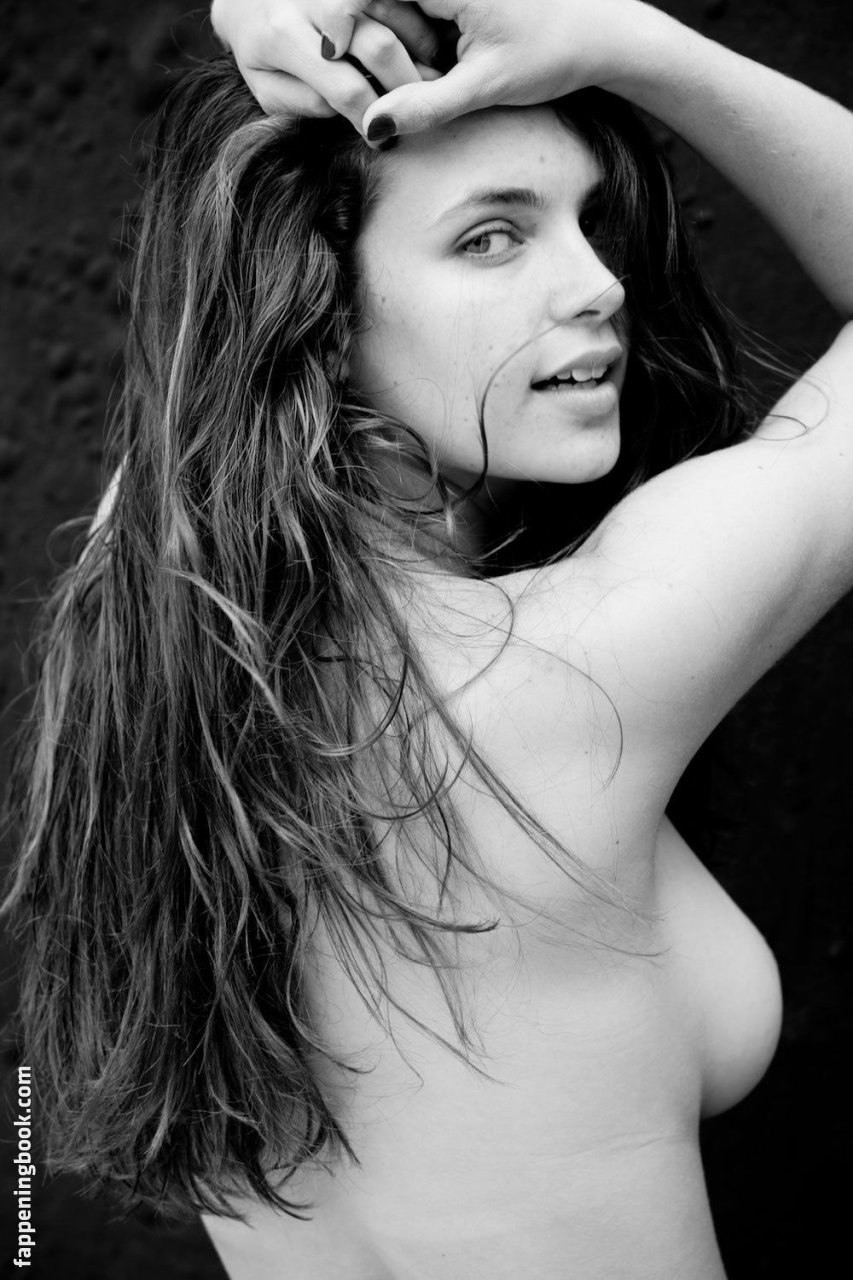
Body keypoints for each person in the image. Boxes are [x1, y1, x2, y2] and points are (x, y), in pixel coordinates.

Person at [2, 1, 851, 1277]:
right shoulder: (571, 673)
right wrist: (631, 39)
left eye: (587, 221)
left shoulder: (151, 636)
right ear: (318, 313)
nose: (600, 283)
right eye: (491, 237)